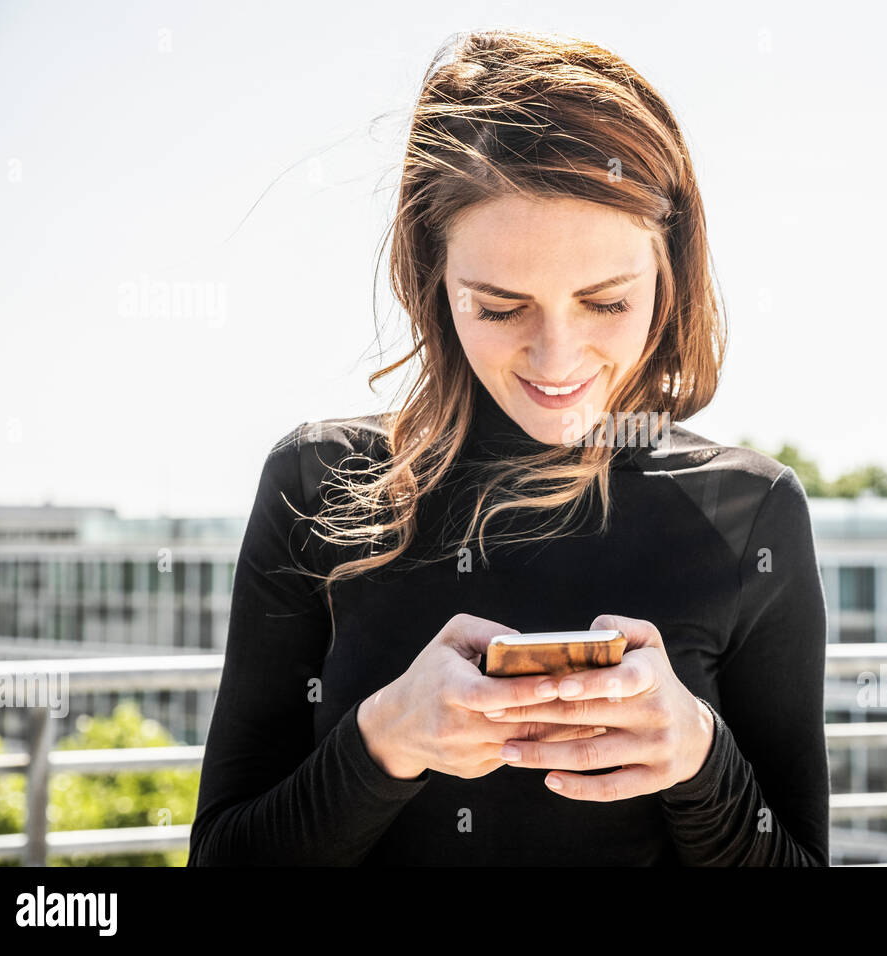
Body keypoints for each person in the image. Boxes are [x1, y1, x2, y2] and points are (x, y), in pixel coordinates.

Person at [188, 28, 829, 866]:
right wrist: (383, 742)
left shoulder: (749, 514)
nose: (557, 363)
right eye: (499, 307)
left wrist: (701, 760)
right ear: (431, 276)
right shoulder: (317, 484)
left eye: (605, 303)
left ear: (670, 274)